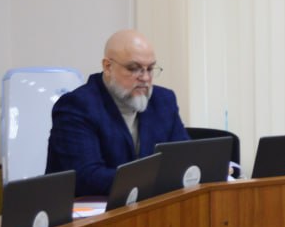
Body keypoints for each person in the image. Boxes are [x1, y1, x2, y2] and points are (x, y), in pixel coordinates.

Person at [45, 29, 190, 196]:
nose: (145, 78)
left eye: (150, 69)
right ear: (108, 67)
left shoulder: (163, 101)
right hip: (91, 208)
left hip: (147, 205)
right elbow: (87, 177)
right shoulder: (77, 106)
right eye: (134, 68)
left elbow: (183, 159)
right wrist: (157, 178)